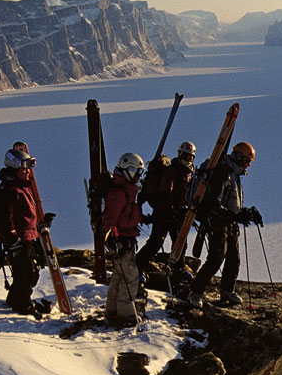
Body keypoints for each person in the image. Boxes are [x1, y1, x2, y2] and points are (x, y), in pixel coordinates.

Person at [186, 141, 263, 308]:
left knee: (234, 259)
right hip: (217, 222)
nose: (247, 166)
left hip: (229, 222)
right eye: (246, 161)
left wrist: (245, 213)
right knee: (216, 258)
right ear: (237, 157)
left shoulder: (234, 174)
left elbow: (231, 201)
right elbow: (214, 203)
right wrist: (236, 215)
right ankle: (195, 292)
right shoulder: (223, 173)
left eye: (249, 162)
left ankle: (227, 290)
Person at [0, 145, 50, 317]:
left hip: (27, 236)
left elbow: (26, 214)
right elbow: (6, 219)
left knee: (28, 272)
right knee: (27, 272)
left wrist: (41, 222)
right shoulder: (10, 191)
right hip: (18, 239)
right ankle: (23, 305)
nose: (28, 172)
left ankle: (15, 300)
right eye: (24, 168)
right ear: (15, 168)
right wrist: (13, 240)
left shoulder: (21, 187)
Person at [136, 140, 197, 273]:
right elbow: (166, 191)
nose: (188, 159)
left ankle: (178, 268)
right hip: (165, 213)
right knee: (156, 242)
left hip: (177, 213)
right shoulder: (172, 170)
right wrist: (171, 210)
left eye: (190, 157)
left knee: (180, 242)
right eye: (185, 156)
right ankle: (137, 266)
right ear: (180, 154)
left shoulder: (188, 173)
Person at [102, 152, 145, 327]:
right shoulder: (118, 192)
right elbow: (110, 218)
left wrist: (141, 219)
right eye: (135, 171)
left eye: (139, 173)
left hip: (124, 238)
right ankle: (125, 315)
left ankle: (112, 311)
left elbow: (126, 214)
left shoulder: (125, 190)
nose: (137, 176)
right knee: (130, 277)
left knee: (119, 277)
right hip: (120, 240)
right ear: (127, 169)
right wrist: (111, 239)